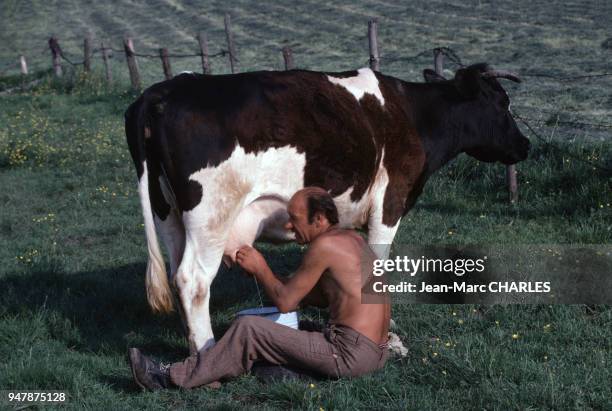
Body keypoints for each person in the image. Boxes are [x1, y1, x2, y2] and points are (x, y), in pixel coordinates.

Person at [128, 187, 390, 390]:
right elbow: (313, 298)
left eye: (294, 218)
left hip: (349, 354)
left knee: (249, 328)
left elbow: (286, 302)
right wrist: (270, 278)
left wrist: (261, 268)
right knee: (296, 325)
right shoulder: (355, 240)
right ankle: (282, 371)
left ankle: (167, 377)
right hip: (377, 353)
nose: (288, 226)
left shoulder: (323, 247)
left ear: (319, 219)